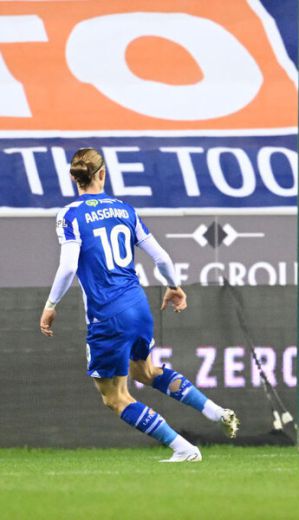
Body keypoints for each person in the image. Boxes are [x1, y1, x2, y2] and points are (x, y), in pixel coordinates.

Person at [39, 148, 239, 462]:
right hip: (138, 306)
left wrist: (51, 305)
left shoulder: (70, 215)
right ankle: (215, 411)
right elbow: (162, 258)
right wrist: (173, 286)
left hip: (107, 315)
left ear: (74, 178)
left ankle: (184, 449)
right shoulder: (125, 210)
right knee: (146, 371)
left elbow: (67, 267)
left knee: (115, 397)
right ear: (102, 174)